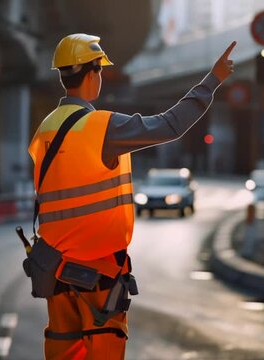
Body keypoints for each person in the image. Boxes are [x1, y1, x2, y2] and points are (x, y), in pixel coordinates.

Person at [27, 33, 236, 359]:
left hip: (54, 268)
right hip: (97, 273)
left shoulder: (45, 128)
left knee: (63, 351)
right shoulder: (101, 127)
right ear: (93, 73)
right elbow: (171, 125)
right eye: (100, 71)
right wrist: (213, 80)